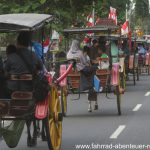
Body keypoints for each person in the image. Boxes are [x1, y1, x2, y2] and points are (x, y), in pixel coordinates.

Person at [4, 31, 42, 96]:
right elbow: (40, 68)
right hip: (29, 89)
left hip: (11, 90)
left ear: (17, 43)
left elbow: (5, 72)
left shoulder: (11, 57)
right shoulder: (34, 56)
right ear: (28, 44)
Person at [67, 40, 97, 112]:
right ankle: (91, 84)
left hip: (72, 71)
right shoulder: (80, 53)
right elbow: (84, 62)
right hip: (82, 70)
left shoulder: (68, 53)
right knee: (94, 68)